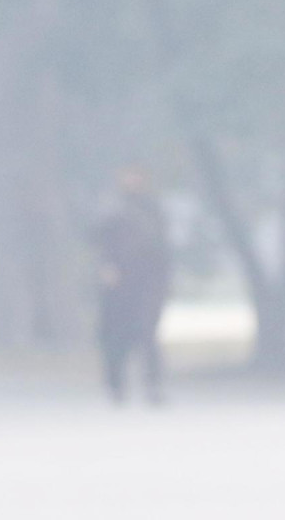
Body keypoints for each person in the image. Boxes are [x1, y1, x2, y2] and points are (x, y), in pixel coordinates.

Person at [93, 168, 173, 405]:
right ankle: (115, 386)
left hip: (146, 284)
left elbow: (162, 249)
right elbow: (98, 241)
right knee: (115, 336)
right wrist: (106, 267)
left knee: (147, 334)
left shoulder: (153, 209)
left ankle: (153, 385)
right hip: (118, 284)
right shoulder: (111, 208)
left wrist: (163, 282)